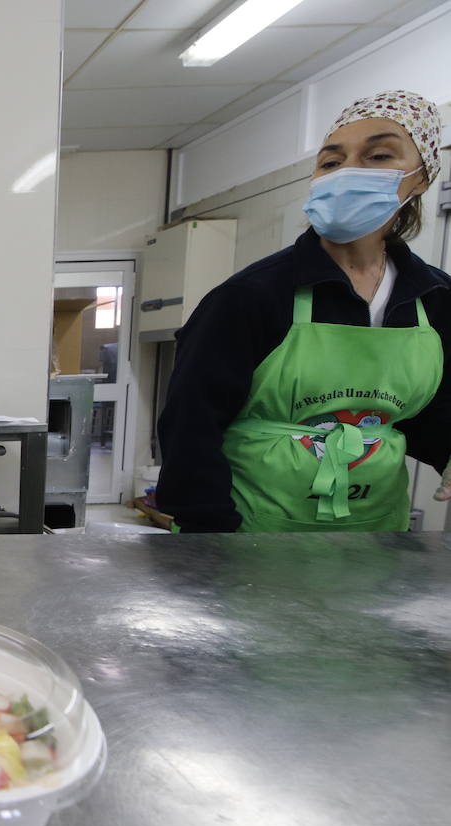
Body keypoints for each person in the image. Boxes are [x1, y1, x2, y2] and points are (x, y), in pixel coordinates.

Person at [157, 89, 450, 533]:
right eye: (332, 162)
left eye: (378, 156)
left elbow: (431, 416)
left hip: (376, 537)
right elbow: (190, 428)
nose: (349, 171)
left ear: (422, 177)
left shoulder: (435, 298)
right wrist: (210, 544)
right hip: (251, 534)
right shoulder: (251, 296)